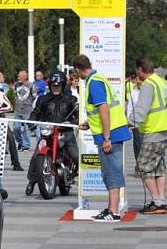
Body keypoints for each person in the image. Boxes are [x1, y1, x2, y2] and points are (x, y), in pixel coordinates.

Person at [73, 54, 131, 222]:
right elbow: (99, 113)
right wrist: (89, 124)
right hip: (112, 131)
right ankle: (111, 208)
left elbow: (104, 109)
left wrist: (107, 138)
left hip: (111, 134)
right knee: (109, 171)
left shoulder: (94, 82)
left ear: (78, 70)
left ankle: (113, 211)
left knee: (111, 171)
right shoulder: (97, 79)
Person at [132, 56, 167, 214]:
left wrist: (131, 122)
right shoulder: (160, 81)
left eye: (136, 69)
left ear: (141, 69)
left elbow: (141, 109)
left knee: (143, 168)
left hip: (152, 130)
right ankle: (161, 201)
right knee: (158, 167)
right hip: (163, 130)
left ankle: (156, 201)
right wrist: (164, 108)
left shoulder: (148, 85)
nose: (136, 72)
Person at [24, 72, 78, 196]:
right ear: (49, 85)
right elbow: (36, 112)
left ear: (63, 85)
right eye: (53, 85)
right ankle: (32, 182)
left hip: (65, 131)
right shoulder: (43, 99)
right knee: (36, 156)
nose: (56, 88)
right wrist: (31, 121)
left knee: (75, 155)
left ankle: (76, 175)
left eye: (58, 85)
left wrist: (75, 120)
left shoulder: (70, 99)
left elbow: (77, 113)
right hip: (48, 132)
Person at [12, 70, 36, 151]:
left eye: (19, 76)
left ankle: (26, 145)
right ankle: (20, 141)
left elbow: (34, 96)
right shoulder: (16, 85)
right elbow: (15, 95)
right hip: (18, 110)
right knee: (16, 128)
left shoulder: (31, 85)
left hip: (27, 111)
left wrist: (28, 103)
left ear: (25, 77)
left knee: (26, 129)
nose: (18, 77)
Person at [125, 72, 142, 159]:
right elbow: (130, 108)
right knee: (137, 145)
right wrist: (129, 121)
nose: (139, 81)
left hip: (148, 123)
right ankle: (138, 165)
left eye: (141, 79)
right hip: (136, 123)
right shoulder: (134, 93)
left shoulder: (149, 91)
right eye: (138, 79)